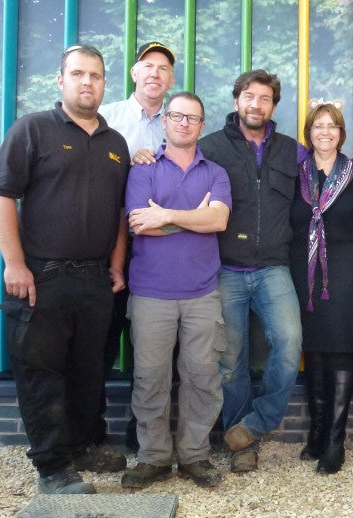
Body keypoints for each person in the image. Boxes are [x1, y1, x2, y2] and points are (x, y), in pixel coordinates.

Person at [196, 70, 353, 473]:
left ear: (274, 106)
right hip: (227, 267)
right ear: (237, 99)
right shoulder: (210, 147)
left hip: (276, 267)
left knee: (291, 342)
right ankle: (241, 443)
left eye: (264, 98)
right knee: (232, 358)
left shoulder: (289, 151)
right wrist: (144, 155)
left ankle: (259, 423)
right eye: (249, 96)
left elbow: (340, 177)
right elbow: (177, 160)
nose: (256, 104)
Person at [0, 45, 129, 494]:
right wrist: (14, 263)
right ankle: (52, 468)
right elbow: (1, 195)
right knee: (42, 372)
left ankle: (84, 445)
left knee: (89, 371)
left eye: (97, 76)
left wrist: (117, 265)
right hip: (40, 277)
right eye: (78, 74)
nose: (88, 83)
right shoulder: (33, 129)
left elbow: (121, 212)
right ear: (61, 80)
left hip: (94, 279)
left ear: (105, 84)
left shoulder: (115, 144)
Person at [120, 92, 232, 489]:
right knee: (150, 378)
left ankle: (194, 456)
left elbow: (218, 220)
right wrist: (193, 217)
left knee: (202, 377)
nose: (184, 123)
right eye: (178, 116)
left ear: (202, 126)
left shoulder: (216, 173)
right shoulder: (143, 170)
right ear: (165, 121)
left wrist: (166, 213)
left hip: (203, 293)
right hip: (151, 293)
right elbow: (139, 225)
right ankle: (153, 457)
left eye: (193, 118)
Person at [97, 41, 176, 454]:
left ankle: (142, 431)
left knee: (154, 347)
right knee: (104, 340)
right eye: (148, 66)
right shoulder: (107, 118)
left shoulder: (177, 121)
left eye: (163, 68)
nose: (155, 74)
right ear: (134, 72)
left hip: (160, 252)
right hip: (110, 246)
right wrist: (130, 161)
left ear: (171, 78)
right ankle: (91, 433)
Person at [289, 100, 353, 474]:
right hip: (305, 273)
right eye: (318, 125)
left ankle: (335, 442)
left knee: (340, 353)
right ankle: (317, 432)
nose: (325, 132)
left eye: (333, 126)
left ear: (342, 133)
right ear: (308, 133)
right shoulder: (295, 173)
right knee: (316, 351)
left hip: (348, 273)